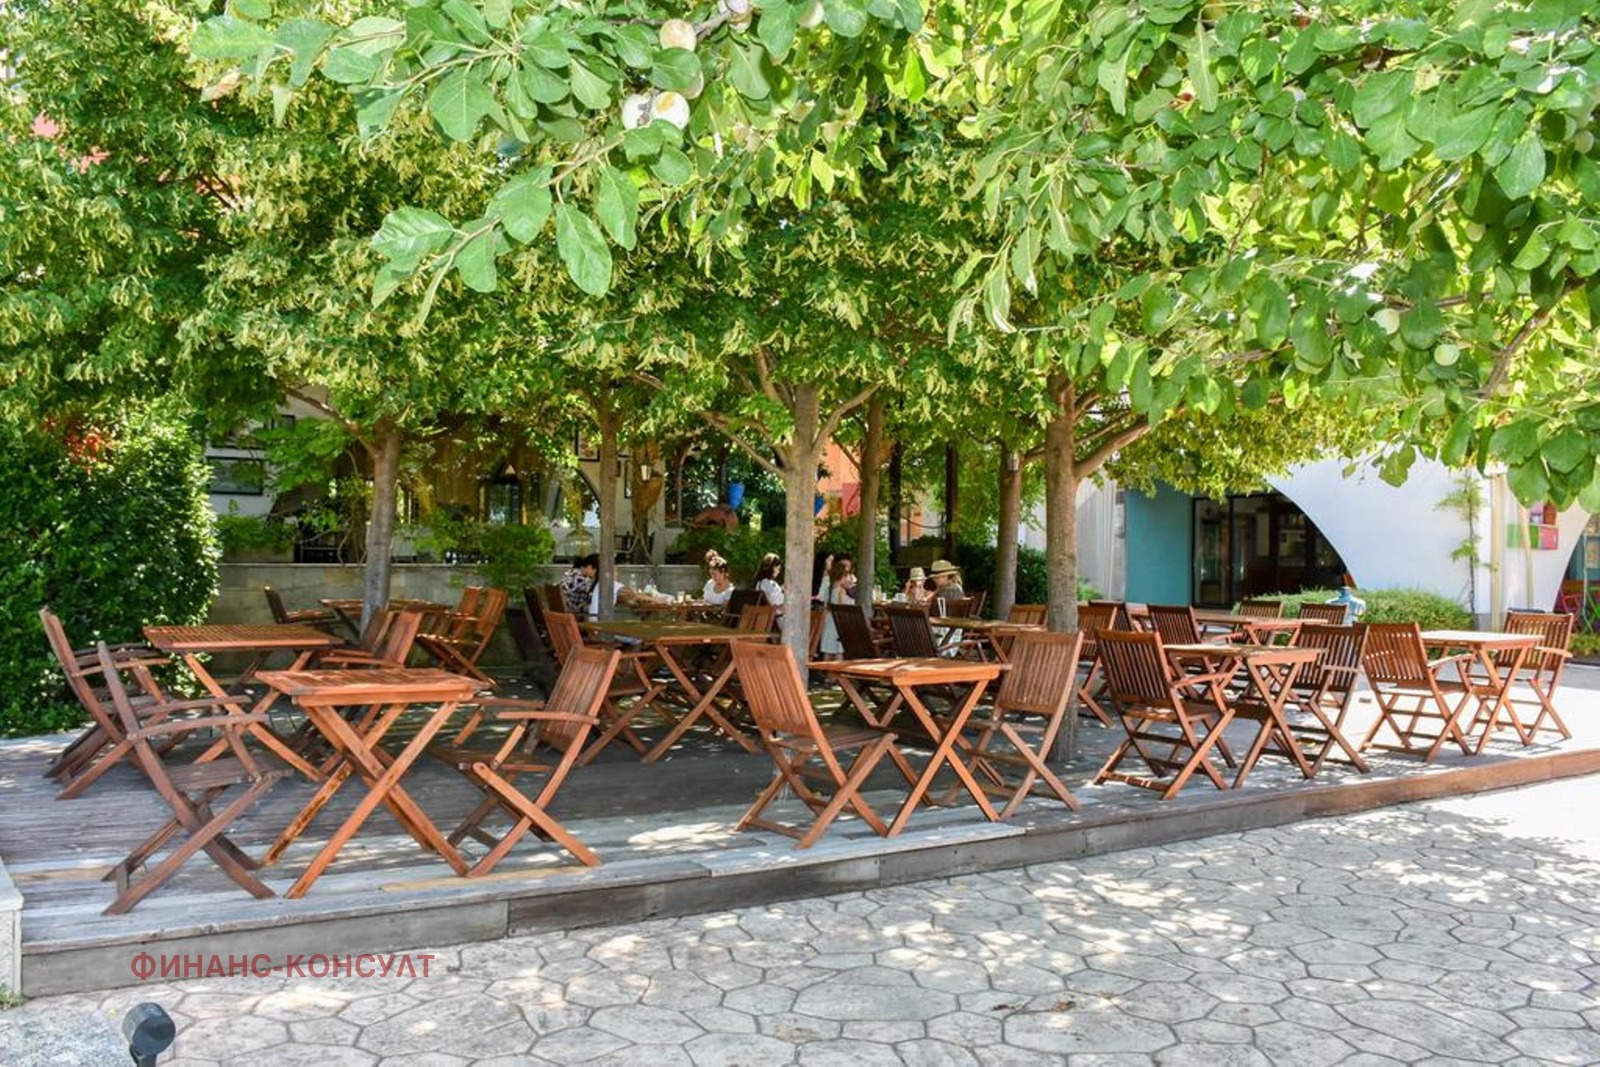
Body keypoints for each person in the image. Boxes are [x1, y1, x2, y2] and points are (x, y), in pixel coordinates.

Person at [818, 556, 856, 658]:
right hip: (838, 623)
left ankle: (825, 667)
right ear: (842, 576)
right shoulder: (840, 590)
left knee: (828, 650)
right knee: (839, 651)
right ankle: (838, 668)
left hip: (829, 622)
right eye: (846, 576)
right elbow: (843, 607)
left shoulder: (830, 588)